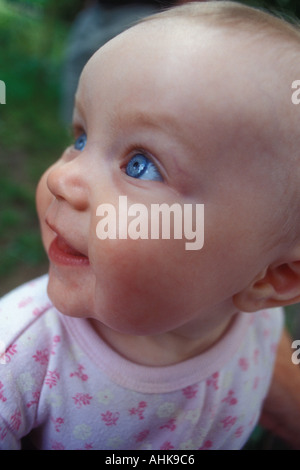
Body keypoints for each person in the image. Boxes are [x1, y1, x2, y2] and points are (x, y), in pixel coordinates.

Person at [1, 1, 300, 450]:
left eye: (140, 165)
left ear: (273, 277)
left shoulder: (259, 327)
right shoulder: (21, 357)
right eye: (80, 138)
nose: (61, 178)